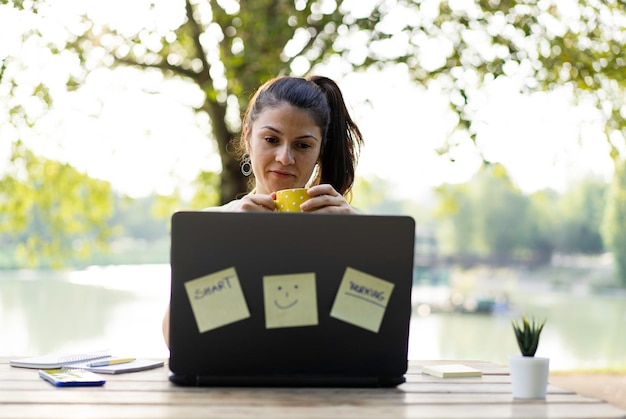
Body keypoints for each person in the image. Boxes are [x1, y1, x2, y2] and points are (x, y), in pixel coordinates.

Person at [162, 74, 365, 347]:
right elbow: (178, 340)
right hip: (234, 383)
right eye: (271, 139)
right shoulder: (212, 225)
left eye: (302, 145)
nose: (285, 158)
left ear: (320, 151)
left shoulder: (351, 226)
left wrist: (360, 245)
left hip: (322, 384)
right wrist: (224, 244)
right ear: (247, 136)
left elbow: (372, 330)